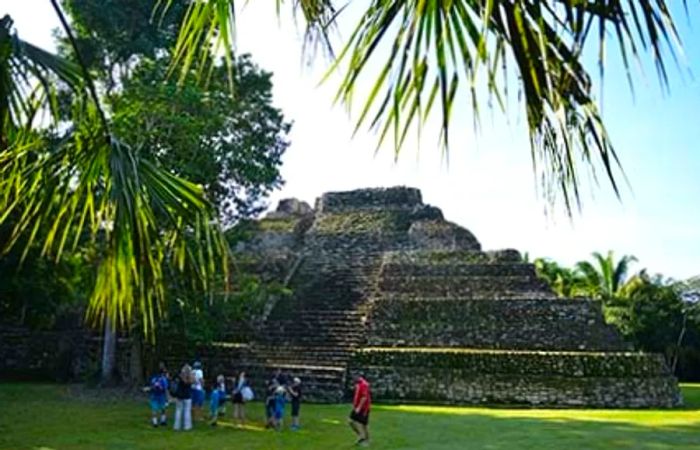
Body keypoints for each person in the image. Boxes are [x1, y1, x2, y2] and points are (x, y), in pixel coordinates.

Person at [348, 373, 371, 446]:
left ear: (358, 377)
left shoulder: (364, 384)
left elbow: (364, 397)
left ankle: (366, 440)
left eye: (354, 378)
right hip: (357, 407)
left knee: (364, 424)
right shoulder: (358, 384)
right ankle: (361, 436)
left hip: (364, 408)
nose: (353, 379)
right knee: (351, 421)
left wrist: (359, 407)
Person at [146, 362, 169, 427]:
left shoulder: (153, 378)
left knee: (155, 409)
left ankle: (155, 422)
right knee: (163, 408)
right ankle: (162, 421)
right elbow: (165, 388)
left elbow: (151, 386)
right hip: (161, 395)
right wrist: (168, 397)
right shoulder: (163, 379)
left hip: (154, 395)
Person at [172, 364, 194, 431]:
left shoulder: (180, 376)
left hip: (180, 395)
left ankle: (176, 426)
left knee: (178, 411)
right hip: (187, 395)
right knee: (187, 411)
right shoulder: (190, 377)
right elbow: (193, 382)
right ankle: (187, 426)